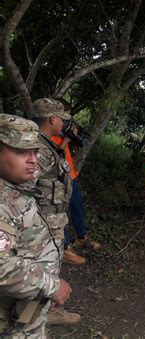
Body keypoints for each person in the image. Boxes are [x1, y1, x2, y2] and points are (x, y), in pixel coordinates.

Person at [0, 114, 72, 337]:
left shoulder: (16, 184)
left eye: (35, 151)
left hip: (23, 314)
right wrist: (52, 286)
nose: (33, 160)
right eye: (22, 152)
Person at [31, 98, 81, 325]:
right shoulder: (37, 147)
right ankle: (38, 315)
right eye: (62, 119)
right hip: (42, 218)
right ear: (52, 119)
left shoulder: (45, 143)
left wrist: (66, 142)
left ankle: (42, 311)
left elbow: (52, 168)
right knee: (44, 265)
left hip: (50, 217)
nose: (64, 124)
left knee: (51, 263)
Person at [50, 100, 102, 265]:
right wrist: (66, 138)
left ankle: (81, 238)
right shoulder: (46, 133)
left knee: (77, 207)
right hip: (57, 181)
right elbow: (52, 158)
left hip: (70, 177)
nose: (68, 120)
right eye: (65, 116)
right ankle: (65, 249)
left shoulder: (61, 131)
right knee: (61, 214)